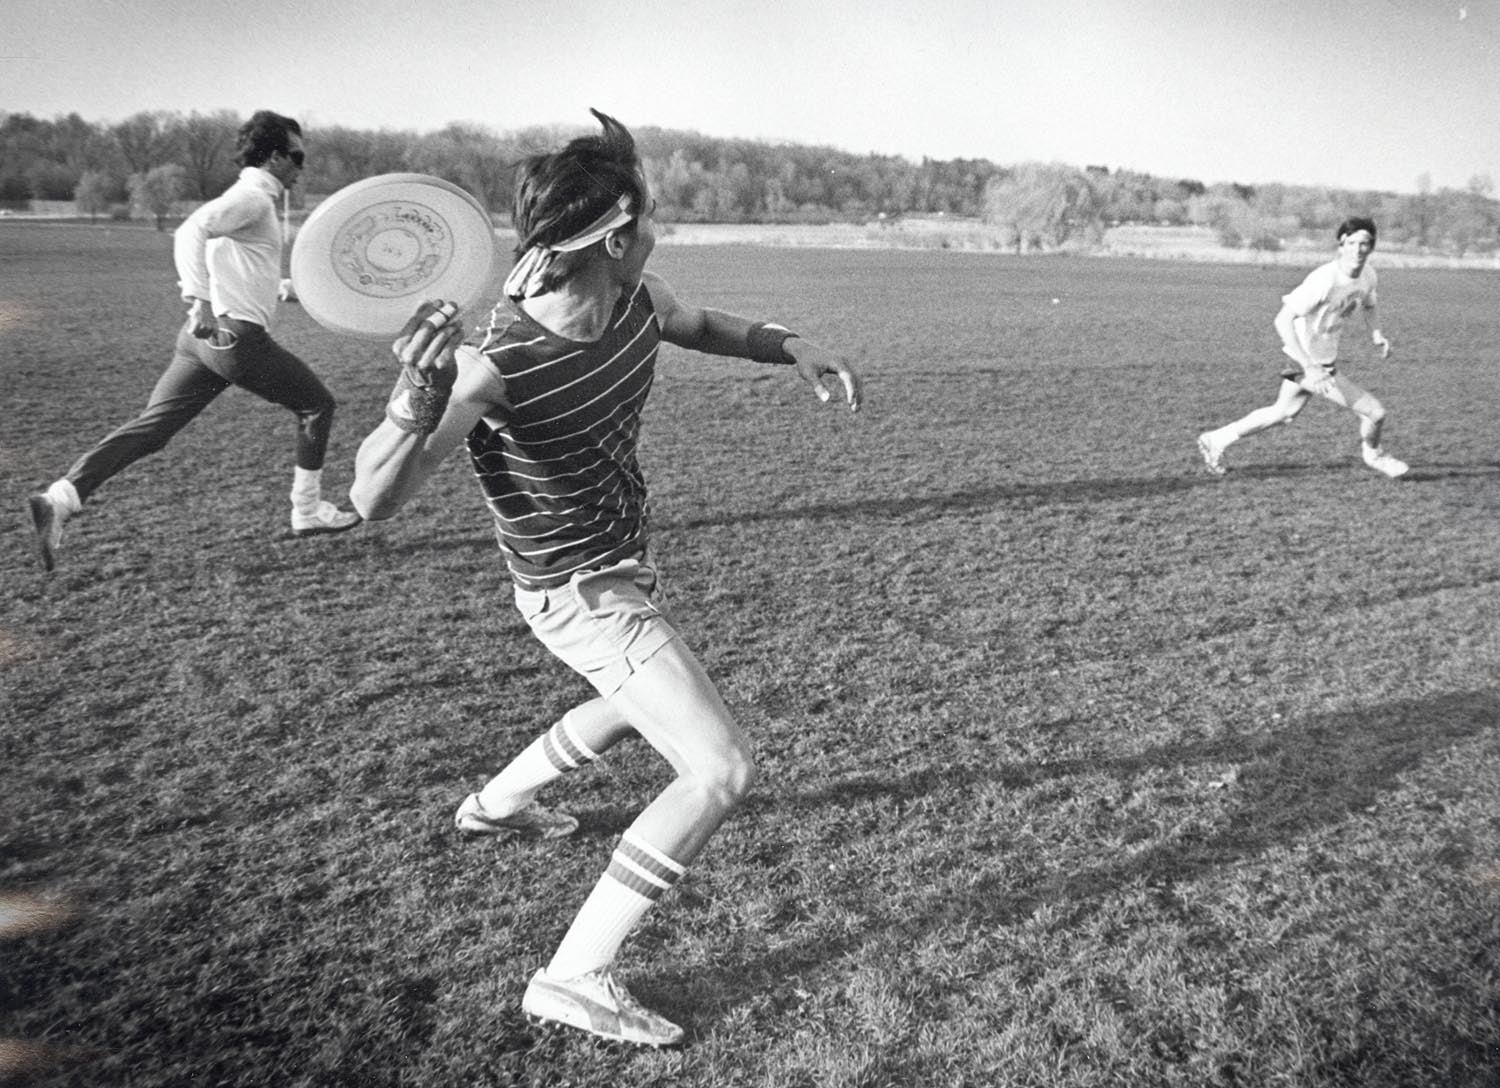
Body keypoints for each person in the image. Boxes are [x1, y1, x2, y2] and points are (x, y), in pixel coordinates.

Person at [349, 109, 862, 1047]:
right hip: (579, 594)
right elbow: (375, 499)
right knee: (720, 769)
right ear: (617, 238)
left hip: (619, 565)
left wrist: (789, 345)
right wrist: (413, 399)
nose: (659, 229)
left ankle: (496, 806)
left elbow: (697, 323)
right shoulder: (494, 367)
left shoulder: (637, 300)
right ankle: (574, 976)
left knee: (632, 704)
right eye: (650, 216)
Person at [27, 110, 359, 571]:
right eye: (297, 156)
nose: (302, 167)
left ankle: (59, 498)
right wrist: (198, 300)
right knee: (317, 405)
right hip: (235, 339)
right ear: (275, 156)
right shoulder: (253, 198)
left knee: (153, 428)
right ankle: (307, 511)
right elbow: (190, 230)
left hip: (201, 343)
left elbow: (244, 270)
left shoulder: (247, 200)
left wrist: (288, 290)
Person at [1197, 216, 1408, 479]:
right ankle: (1375, 455)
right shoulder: (1324, 280)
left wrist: (1377, 335)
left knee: (1283, 412)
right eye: (1351, 243)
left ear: (1372, 246)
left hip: (1322, 360)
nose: (1357, 249)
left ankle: (1215, 439)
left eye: (1364, 243)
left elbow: (1369, 305)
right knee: (1375, 412)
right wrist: (1309, 367)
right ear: (1341, 245)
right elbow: (1282, 320)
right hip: (1303, 360)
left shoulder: (1368, 275)